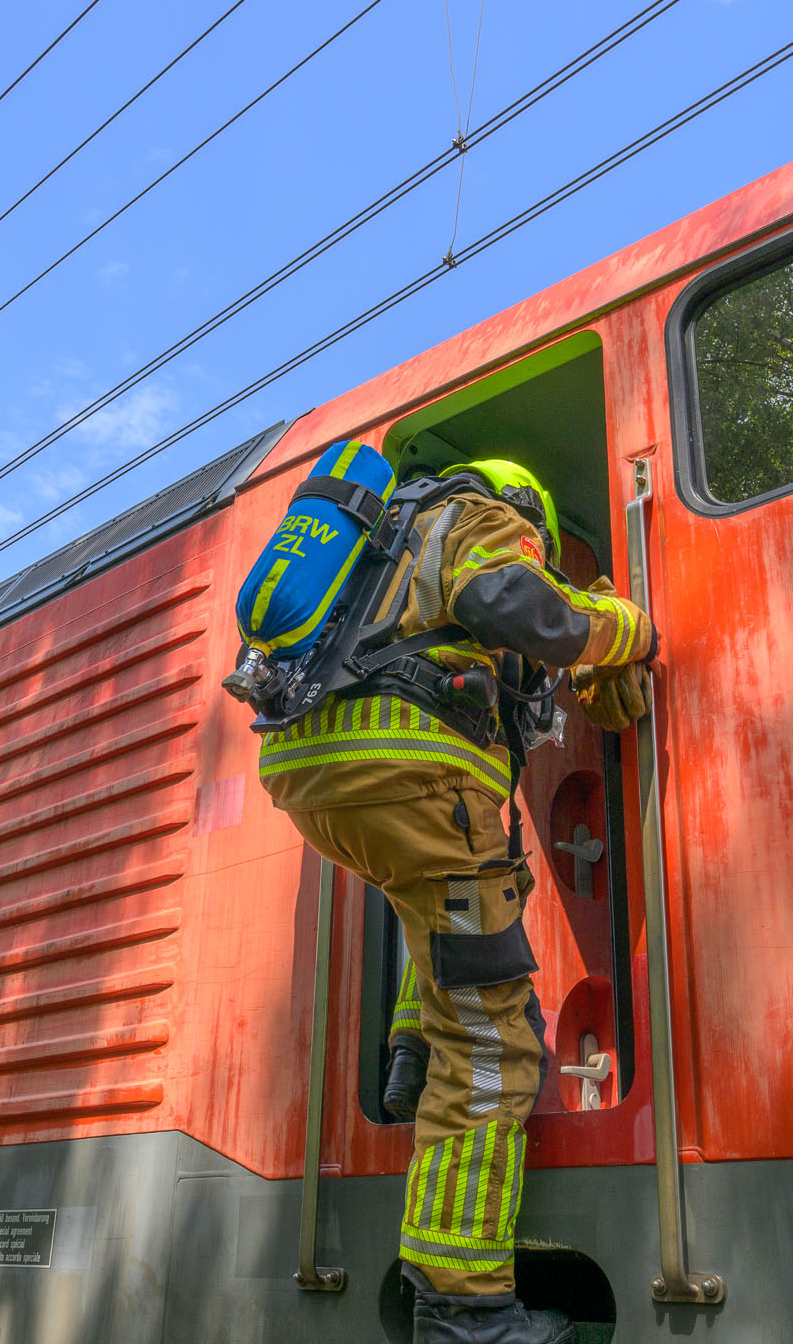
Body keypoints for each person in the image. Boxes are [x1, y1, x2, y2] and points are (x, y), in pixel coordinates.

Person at [256, 457, 656, 1344]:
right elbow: (524, 610)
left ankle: (407, 1058)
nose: (539, 556)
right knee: (496, 1044)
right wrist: (625, 627)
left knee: (447, 905)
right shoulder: (474, 517)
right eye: (540, 545)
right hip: (414, 776)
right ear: (527, 514)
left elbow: (501, 669)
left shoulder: (387, 554)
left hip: (323, 777)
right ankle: (464, 1307)